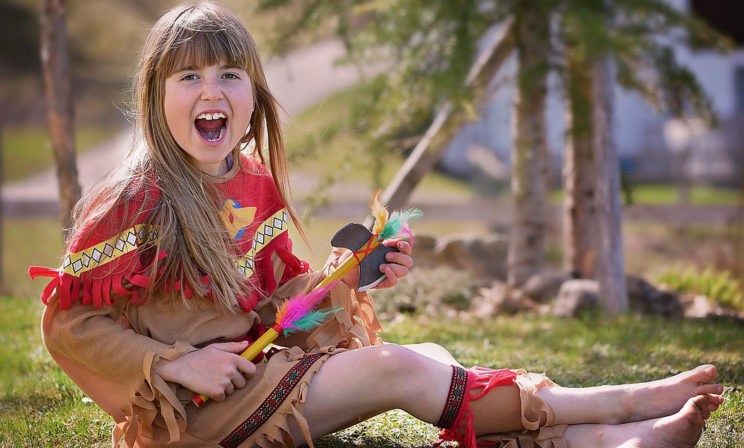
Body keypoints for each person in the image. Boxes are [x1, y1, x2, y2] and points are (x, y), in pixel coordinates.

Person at [30, 2, 724, 447]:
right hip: (193, 415)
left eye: (229, 75)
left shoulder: (251, 181)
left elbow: (283, 307)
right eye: (188, 78)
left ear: (253, 96)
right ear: (155, 95)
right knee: (397, 368)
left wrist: (351, 277)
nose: (211, 91)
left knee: (433, 358)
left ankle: (600, 442)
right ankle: (617, 402)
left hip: (259, 373)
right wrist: (177, 364)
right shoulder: (136, 198)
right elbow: (67, 323)